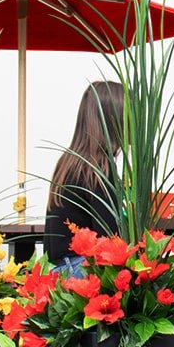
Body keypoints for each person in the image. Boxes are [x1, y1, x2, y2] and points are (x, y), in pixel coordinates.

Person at [45, 81, 124, 264]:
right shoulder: (99, 168)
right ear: (114, 120)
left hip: (59, 269)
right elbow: (110, 239)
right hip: (80, 268)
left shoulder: (71, 161)